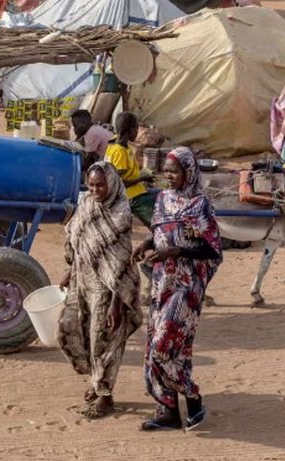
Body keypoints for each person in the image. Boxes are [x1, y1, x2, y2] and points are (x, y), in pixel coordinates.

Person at [134, 147, 223, 431]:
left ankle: (193, 397)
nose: (169, 176)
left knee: (163, 347)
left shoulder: (200, 204)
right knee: (168, 349)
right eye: (167, 171)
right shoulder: (162, 199)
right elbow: (160, 231)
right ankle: (169, 411)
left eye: (175, 171)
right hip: (161, 284)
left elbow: (211, 248)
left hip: (187, 287)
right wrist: (148, 244)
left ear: (189, 172)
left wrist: (174, 251)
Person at [57, 162, 142, 419]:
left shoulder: (120, 215)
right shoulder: (85, 204)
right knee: (69, 329)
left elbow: (121, 261)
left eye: (100, 185)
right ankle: (95, 381)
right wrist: (69, 271)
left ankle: (106, 395)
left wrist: (117, 302)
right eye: (91, 184)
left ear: (112, 185)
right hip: (82, 282)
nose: (95, 190)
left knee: (102, 341)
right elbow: (77, 238)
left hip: (107, 289)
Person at [105, 112, 156, 227]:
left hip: (136, 191)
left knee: (161, 194)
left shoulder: (115, 145)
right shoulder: (120, 152)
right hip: (131, 196)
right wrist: (142, 178)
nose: (137, 133)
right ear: (131, 130)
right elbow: (119, 183)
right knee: (158, 221)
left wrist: (141, 174)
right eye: (137, 129)